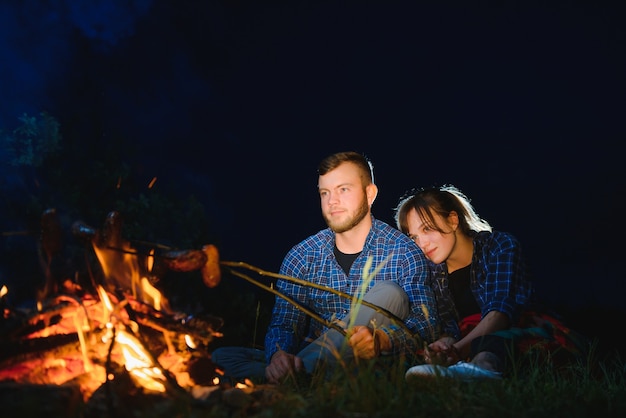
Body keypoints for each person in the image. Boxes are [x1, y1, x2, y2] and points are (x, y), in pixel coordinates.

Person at [211, 151, 438, 384]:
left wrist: (383, 340)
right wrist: (279, 355)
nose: (332, 201)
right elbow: (285, 323)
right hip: (314, 358)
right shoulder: (302, 255)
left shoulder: (402, 251)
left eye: (343, 189)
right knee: (220, 358)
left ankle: (299, 380)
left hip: (374, 362)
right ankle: (301, 377)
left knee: (390, 293)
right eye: (325, 193)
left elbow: (427, 324)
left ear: (370, 194)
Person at [394, 185, 587, 382]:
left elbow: (500, 314)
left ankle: (481, 371)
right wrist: (443, 345)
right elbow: (451, 327)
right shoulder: (434, 271)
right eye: (414, 237)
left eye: (427, 228)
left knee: (494, 344)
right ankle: (461, 374)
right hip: (467, 340)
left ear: (452, 220)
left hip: (518, 330)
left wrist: (457, 350)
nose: (422, 243)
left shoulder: (499, 246)